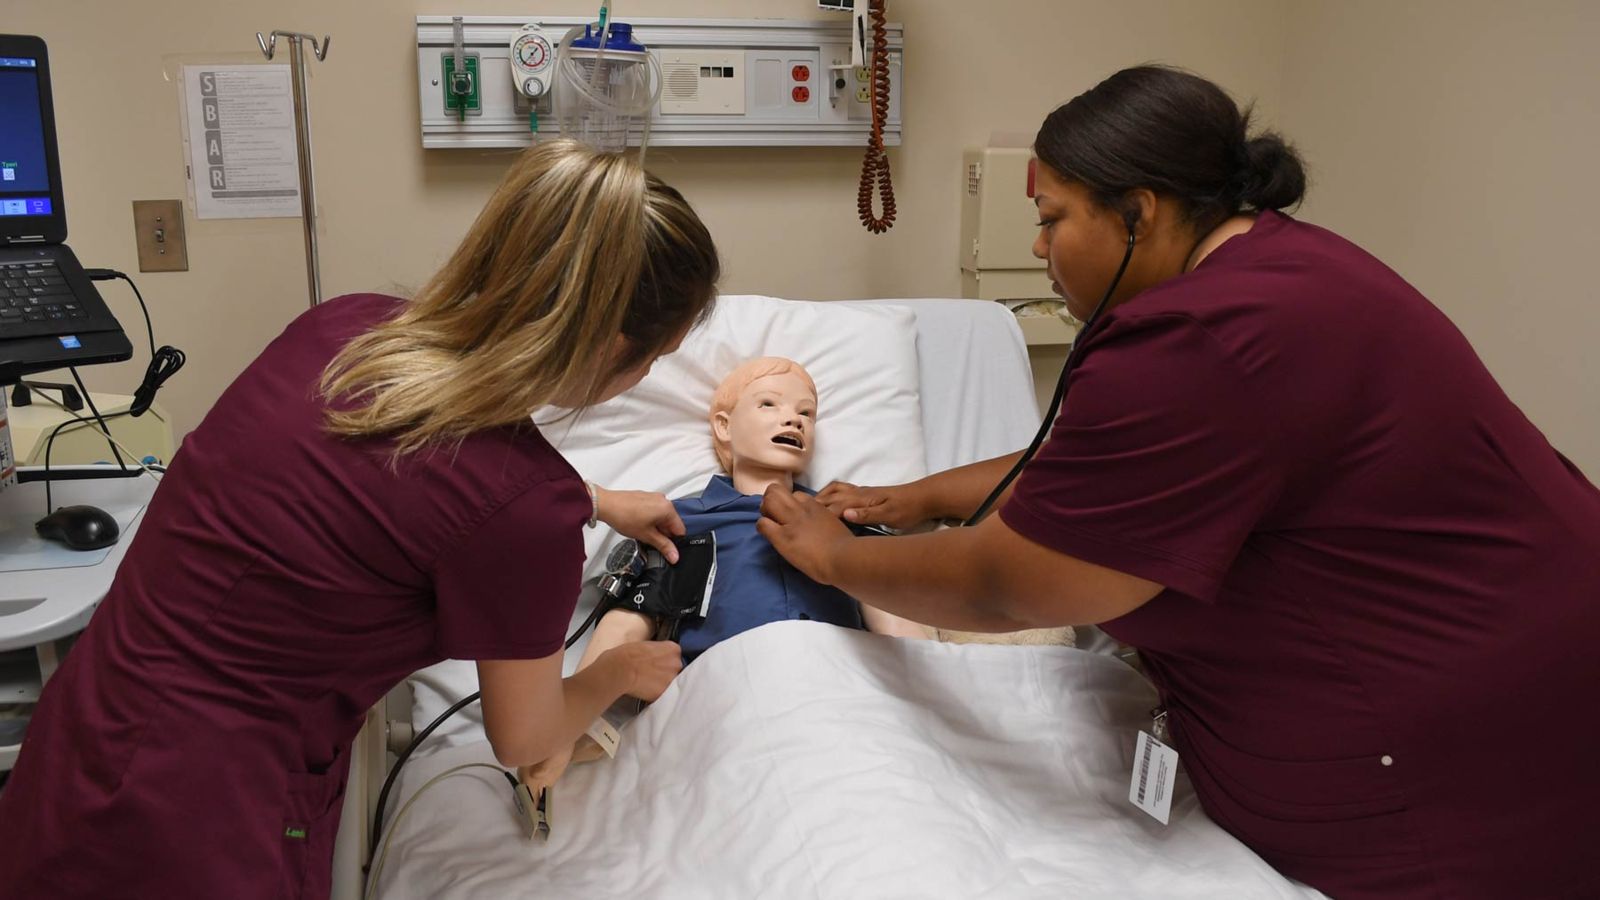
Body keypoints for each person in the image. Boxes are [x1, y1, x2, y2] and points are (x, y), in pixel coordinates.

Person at [757, 66, 1600, 898]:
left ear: (1139, 212)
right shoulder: (1287, 267)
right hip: (1540, 644)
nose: (1040, 248)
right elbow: (1123, 474)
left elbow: (1008, 583)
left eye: (1052, 219)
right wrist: (927, 496)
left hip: (1452, 747)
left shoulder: (1193, 339)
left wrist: (837, 558)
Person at [0, 140, 719, 899]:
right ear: (608, 342)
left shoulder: (345, 329)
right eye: (653, 359)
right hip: (191, 820)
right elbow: (526, 737)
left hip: (89, 727)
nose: (645, 378)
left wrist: (592, 500)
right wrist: (613, 673)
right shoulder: (523, 510)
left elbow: (391, 469)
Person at [519, 357, 929, 794]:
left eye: (806, 412)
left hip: (844, 698)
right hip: (725, 703)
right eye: (768, 404)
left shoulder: (840, 517)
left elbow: (892, 613)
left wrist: (935, 695)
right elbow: (629, 619)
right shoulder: (681, 521)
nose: (792, 417)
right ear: (723, 426)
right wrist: (569, 722)